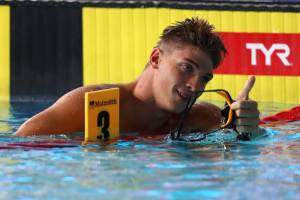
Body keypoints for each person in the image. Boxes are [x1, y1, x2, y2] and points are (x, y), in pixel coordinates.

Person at [15, 17, 260, 138]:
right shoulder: (95, 104)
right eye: (187, 68)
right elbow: (18, 151)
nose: (195, 86)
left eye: (205, 78)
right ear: (155, 59)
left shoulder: (199, 117)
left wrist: (244, 130)